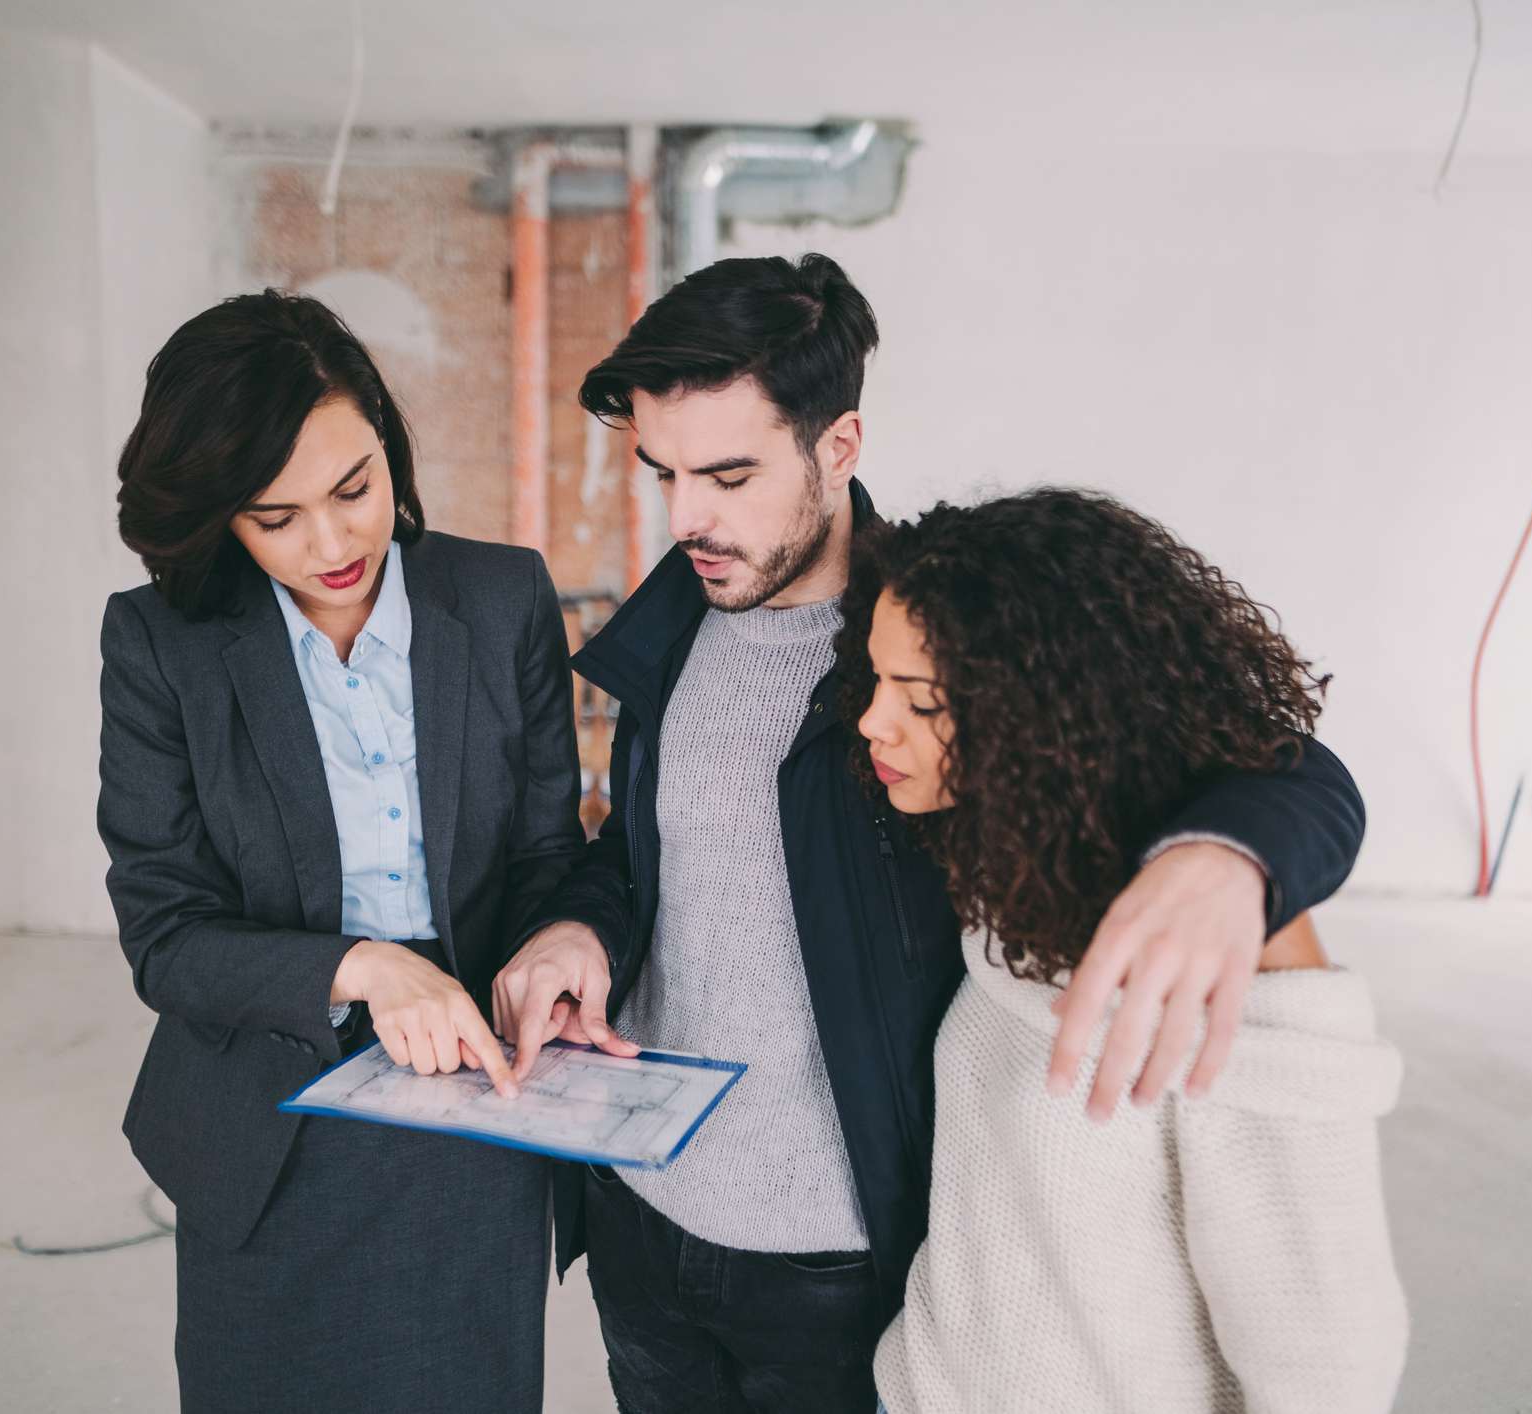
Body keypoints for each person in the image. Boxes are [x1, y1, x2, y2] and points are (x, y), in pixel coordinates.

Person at [491, 253, 1370, 1412]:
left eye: (729, 473)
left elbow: (1278, 767)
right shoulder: (674, 626)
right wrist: (577, 931)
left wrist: (1223, 860)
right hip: (645, 1224)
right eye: (661, 473)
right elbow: (650, 851)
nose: (686, 518)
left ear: (839, 446)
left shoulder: (937, 637)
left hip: (844, 1260)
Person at [96, 291, 579, 1411]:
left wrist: (560, 937)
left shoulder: (500, 597)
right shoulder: (160, 643)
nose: (331, 544)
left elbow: (552, 852)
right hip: (266, 1118)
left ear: (389, 447)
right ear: (221, 517)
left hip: (473, 1102)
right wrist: (359, 964)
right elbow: (165, 934)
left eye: (354, 488)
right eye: (275, 517)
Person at [852, 488, 1406, 1413]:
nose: (874, 722)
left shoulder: (1224, 957)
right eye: (876, 682)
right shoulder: (1009, 872)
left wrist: (1236, 860)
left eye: (919, 700)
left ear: (1047, 714)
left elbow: (1328, 1360)